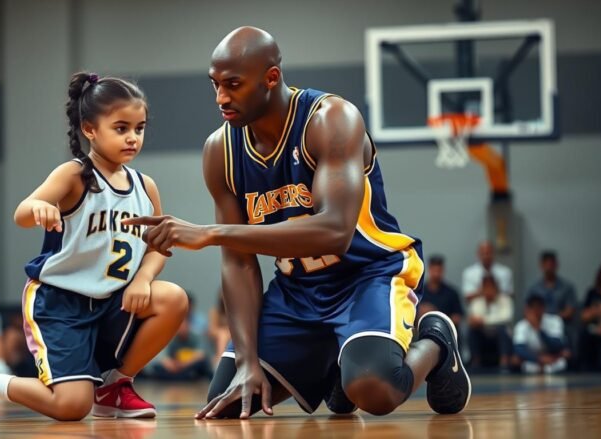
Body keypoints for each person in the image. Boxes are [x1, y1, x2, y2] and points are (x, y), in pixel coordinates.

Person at [124, 27, 470, 418]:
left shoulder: (331, 120)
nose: (221, 98)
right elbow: (237, 261)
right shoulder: (220, 151)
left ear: (271, 78)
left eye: (233, 85)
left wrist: (210, 233)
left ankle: (437, 342)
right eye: (215, 85)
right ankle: (337, 366)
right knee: (226, 401)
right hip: (298, 291)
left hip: (367, 275)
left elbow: (335, 232)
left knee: (374, 389)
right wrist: (248, 362)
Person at [0, 73, 188, 423]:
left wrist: (143, 278)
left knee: (173, 298)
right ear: (90, 129)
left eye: (140, 128)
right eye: (121, 128)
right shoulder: (74, 175)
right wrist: (39, 208)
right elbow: (22, 213)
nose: (133, 137)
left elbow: (159, 246)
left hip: (112, 301)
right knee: (71, 407)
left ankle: (115, 387)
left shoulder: (145, 186)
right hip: (61, 304)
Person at [512, 294, 569, 374]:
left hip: (552, 358)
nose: (536, 311)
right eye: (533, 307)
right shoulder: (521, 325)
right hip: (532, 360)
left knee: (563, 359)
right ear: (527, 309)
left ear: (544, 308)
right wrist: (539, 359)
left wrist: (539, 329)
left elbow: (557, 345)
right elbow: (519, 349)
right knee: (518, 360)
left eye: (539, 307)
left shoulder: (555, 320)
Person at [467, 276, 514, 370]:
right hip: (483, 336)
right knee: (472, 331)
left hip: (500, 336)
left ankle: (504, 362)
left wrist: (484, 321)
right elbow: (474, 320)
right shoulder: (476, 302)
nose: (488, 290)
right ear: (482, 289)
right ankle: (476, 361)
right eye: (486, 287)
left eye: (491, 287)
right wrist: (479, 322)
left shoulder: (505, 300)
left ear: (496, 288)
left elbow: (506, 318)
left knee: (502, 329)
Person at [417, 256, 464, 328]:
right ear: (429, 270)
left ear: (443, 271)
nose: (436, 274)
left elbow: (458, 317)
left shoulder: (452, 293)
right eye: (434, 270)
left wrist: (439, 318)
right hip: (425, 332)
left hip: (446, 334)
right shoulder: (419, 292)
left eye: (439, 270)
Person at [578, 260, 601, 371]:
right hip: (595, 326)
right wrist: (594, 312)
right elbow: (583, 316)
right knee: (586, 334)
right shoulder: (593, 292)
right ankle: (586, 368)